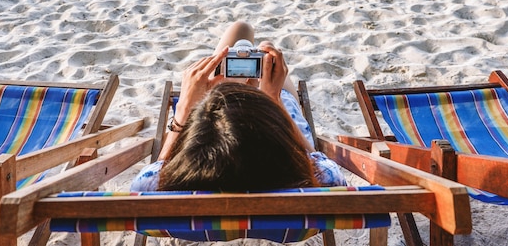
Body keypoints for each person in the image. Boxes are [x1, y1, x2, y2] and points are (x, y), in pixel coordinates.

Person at [131, 21, 347, 192]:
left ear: (199, 141)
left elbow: (155, 171)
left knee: (240, 29)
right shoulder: (322, 180)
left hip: (244, 129)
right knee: (265, 54)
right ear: (276, 138)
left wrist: (183, 111)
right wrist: (274, 101)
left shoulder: (153, 186)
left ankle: (237, 77)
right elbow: (322, 162)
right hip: (269, 127)